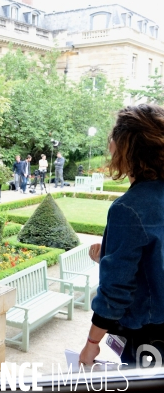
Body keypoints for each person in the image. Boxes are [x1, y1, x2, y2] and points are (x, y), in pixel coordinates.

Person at [79, 104, 164, 369]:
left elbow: (116, 291)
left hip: (150, 335)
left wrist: (91, 344)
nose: (110, 146)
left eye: (113, 139)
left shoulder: (128, 208)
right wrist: (108, 256)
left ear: (128, 148)